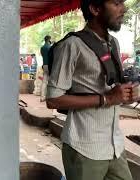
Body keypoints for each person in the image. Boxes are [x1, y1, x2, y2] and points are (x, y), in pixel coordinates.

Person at [46, 0, 134, 180]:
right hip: (84, 147)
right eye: (117, 3)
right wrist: (106, 99)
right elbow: (53, 99)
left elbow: (112, 89)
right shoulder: (72, 45)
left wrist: (125, 93)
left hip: (115, 145)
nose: (123, 9)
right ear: (95, 9)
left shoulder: (113, 43)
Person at [40, 35, 52, 101]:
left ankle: (42, 97)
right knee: (50, 81)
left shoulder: (42, 48)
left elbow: (42, 56)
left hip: (44, 65)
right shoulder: (50, 47)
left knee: (44, 81)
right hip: (50, 65)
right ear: (49, 39)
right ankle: (49, 97)